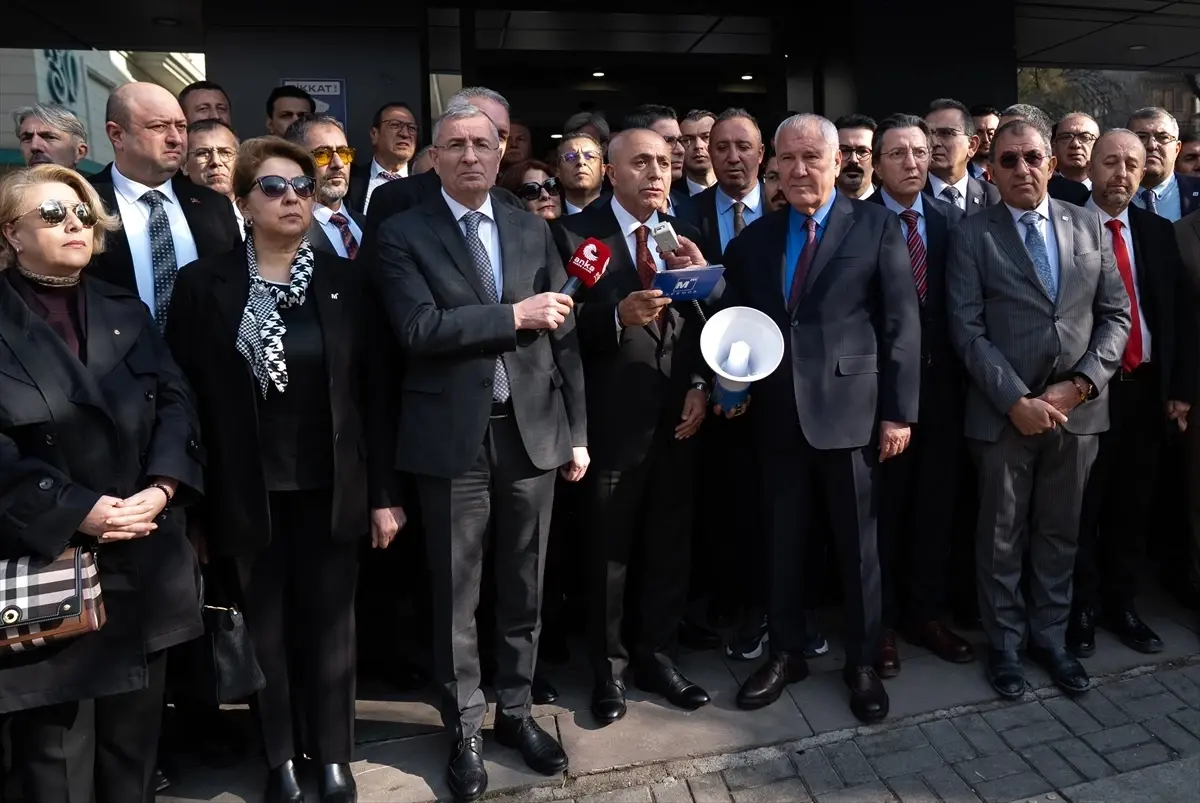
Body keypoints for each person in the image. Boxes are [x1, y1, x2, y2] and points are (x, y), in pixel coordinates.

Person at [165, 137, 403, 803]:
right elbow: (183, 397)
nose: (292, 197)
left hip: (333, 485)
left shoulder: (346, 281)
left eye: (302, 185)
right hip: (244, 490)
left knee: (331, 627)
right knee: (263, 629)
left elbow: (376, 395)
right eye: (273, 187)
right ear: (243, 202)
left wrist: (384, 494)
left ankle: (332, 755)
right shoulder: (204, 285)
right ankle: (280, 760)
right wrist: (193, 506)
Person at [374, 103, 587, 802]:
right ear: (434, 156)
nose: (469, 155)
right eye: (455, 144)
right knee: (455, 593)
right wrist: (511, 316)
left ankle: (516, 711)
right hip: (452, 441)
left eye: (482, 144)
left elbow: (563, 337)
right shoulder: (403, 231)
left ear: (501, 153)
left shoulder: (531, 227)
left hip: (532, 432)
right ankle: (464, 724)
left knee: (525, 584)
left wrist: (578, 430)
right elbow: (416, 328)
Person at [0, 164, 204, 802]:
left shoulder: (125, 308)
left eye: (83, 213)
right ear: (10, 232)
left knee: (132, 756)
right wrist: (76, 509)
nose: (74, 224)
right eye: (52, 214)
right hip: (46, 564)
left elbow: (177, 403)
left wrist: (164, 486)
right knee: (54, 763)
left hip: (142, 556)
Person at [720, 114, 922, 725]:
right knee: (782, 541)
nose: (800, 169)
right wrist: (729, 383)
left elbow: (902, 325)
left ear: (839, 162)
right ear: (773, 165)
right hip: (777, 416)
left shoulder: (877, 226)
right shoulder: (752, 242)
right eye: (788, 158)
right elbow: (737, 325)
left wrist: (898, 413)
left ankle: (861, 661)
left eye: (813, 157)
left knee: (859, 548)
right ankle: (785, 653)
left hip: (854, 415)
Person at [946, 119, 1130, 700]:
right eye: (1008, 160)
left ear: (1051, 163)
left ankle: (1050, 638)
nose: (1022, 169)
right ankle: (1005, 645)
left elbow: (1116, 316)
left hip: (1078, 414)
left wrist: (1081, 385)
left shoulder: (1087, 224)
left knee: (1060, 531)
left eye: (1031, 157)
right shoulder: (972, 233)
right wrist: (1015, 400)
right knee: (1000, 535)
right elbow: (966, 328)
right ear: (990, 170)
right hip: (1004, 414)